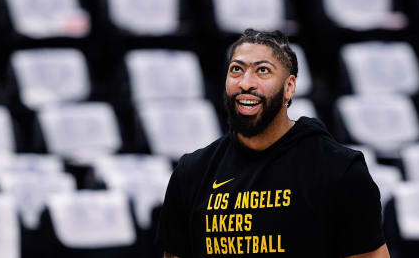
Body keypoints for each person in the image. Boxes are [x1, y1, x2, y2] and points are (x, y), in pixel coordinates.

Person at [157, 29, 390, 258]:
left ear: (289, 87)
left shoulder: (340, 170)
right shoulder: (192, 173)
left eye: (263, 71)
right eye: (236, 70)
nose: (246, 83)